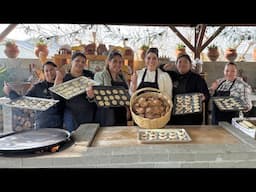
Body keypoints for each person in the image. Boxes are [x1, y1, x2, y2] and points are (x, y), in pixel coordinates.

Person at [3, 61, 64, 129]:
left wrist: (58, 82)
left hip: (59, 125)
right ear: (44, 73)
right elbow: (24, 101)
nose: (49, 73)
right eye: (46, 71)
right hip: (42, 124)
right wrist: (10, 92)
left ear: (56, 70)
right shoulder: (38, 87)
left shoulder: (64, 85)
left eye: (51, 70)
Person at [160, 54, 210, 125]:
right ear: (176, 64)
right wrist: (162, 67)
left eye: (185, 62)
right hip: (174, 117)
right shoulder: (171, 76)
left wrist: (204, 97)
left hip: (192, 118)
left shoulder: (197, 79)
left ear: (190, 65)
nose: (182, 64)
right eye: (180, 62)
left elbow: (207, 94)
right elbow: (158, 70)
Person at [54, 52, 97, 132]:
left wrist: (92, 96)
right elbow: (57, 99)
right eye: (77, 61)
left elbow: (96, 96)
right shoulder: (65, 78)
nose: (80, 63)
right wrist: (57, 85)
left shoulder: (90, 76)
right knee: (74, 138)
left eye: (83, 62)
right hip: (71, 113)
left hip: (88, 112)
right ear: (71, 62)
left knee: (87, 136)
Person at [94, 50, 130, 126]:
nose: (118, 64)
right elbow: (98, 96)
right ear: (109, 62)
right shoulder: (100, 75)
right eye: (115, 61)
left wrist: (127, 109)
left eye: (120, 62)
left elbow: (127, 95)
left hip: (121, 113)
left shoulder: (122, 77)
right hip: (107, 114)